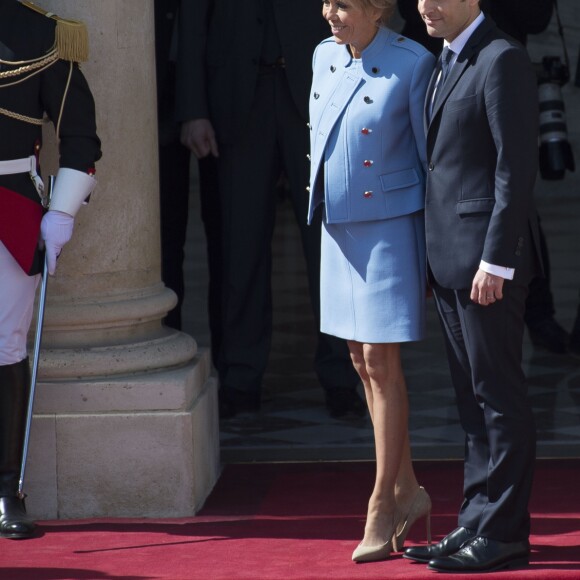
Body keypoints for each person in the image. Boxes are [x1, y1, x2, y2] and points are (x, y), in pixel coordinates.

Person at [403, 0, 542, 573]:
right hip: (451, 261)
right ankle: (476, 521)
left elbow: (515, 168)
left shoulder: (501, 58)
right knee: (471, 401)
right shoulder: (444, 60)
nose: (427, 5)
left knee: (499, 398)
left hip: (487, 265)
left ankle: (505, 532)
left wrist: (497, 260)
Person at [176, 0, 365, 419]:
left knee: (330, 248)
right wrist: (193, 109)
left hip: (320, 93)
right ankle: (241, 377)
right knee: (239, 249)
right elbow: (192, 20)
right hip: (238, 99)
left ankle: (342, 375)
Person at [309, 0, 435, 562]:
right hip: (339, 229)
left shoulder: (412, 64)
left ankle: (383, 501)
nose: (330, 14)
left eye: (345, 5)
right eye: (327, 2)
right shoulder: (322, 57)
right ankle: (410, 490)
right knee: (360, 360)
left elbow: (433, 161)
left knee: (382, 363)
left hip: (388, 228)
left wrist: (437, 251)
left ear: (379, 9)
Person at [398, 0, 569, 354]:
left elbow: (536, 17)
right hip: (438, 64)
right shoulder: (429, 38)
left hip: (493, 63)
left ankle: (538, 313)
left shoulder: (503, 55)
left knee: (512, 190)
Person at [0, 1, 101, 539]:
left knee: (3, 346)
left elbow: (80, 137)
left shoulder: (43, 36)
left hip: (8, 204)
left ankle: (6, 489)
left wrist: (62, 211)